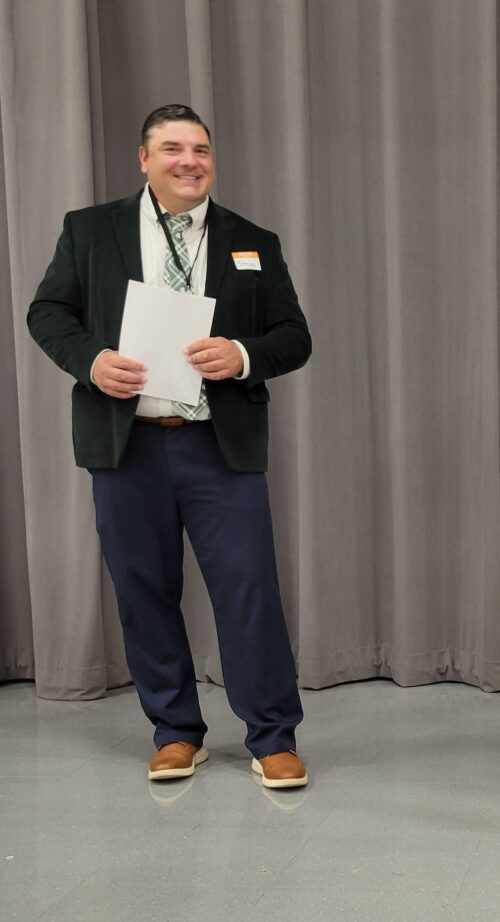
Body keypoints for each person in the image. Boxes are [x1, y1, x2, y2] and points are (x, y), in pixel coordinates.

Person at [28, 104, 311, 790]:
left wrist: (242, 354)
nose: (191, 161)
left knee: (248, 592)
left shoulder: (253, 240)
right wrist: (91, 360)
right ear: (144, 158)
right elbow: (47, 313)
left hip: (220, 447)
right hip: (128, 448)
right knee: (144, 591)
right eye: (174, 149)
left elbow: (293, 336)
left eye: (202, 150)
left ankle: (272, 736)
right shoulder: (90, 231)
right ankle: (176, 731)